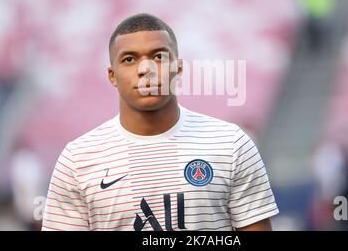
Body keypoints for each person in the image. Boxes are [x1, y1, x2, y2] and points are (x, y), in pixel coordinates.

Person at [42, 13, 279, 231]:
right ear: (112, 75)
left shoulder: (231, 145)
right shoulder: (77, 160)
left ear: (179, 68)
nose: (146, 69)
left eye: (158, 56)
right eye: (129, 59)